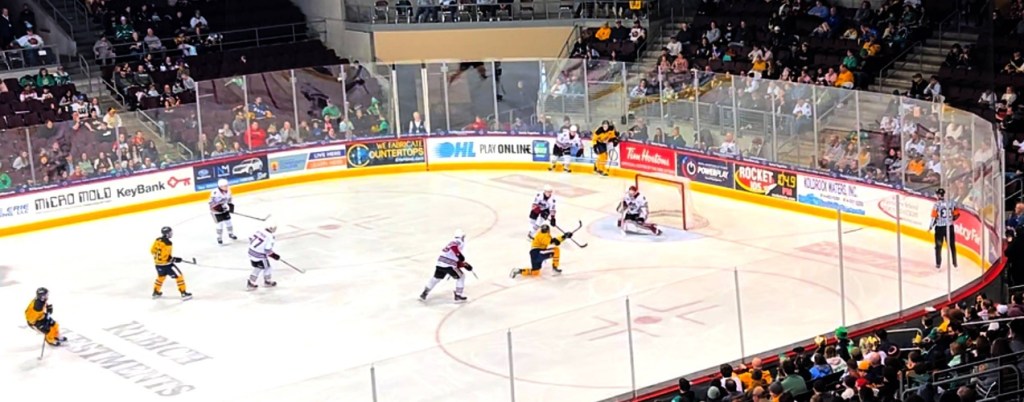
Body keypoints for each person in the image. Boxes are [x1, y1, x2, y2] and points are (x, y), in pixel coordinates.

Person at [420, 229, 473, 303]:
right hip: (448, 265)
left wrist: (463, 265)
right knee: (461, 276)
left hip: (440, 263)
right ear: (462, 236)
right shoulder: (458, 241)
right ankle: (458, 295)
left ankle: (425, 292)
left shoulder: (451, 242)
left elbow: (451, 258)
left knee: (436, 278)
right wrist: (458, 254)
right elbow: (454, 248)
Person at [150, 226, 192, 300]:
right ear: (167, 234)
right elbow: (167, 257)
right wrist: (175, 259)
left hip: (158, 265)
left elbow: (152, 251)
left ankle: (155, 292)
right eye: (170, 233)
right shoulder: (168, 243)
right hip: (167, 265)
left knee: (160, 278)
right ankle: (184, 293)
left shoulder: (157, 240)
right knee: (179, 276)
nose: (171, 234)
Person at [930, 188, 961, 269]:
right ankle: (955, 264)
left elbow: (934, 217)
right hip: (949, 227)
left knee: (938, 246)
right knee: (952, 245)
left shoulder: (936, 204)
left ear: (939, 195)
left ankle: (938, 265)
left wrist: (930, 226)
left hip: (940, 228)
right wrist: (952, 219)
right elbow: (957, 214)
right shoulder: (952, 203)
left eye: (937, 194)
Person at [247, 222, 281, 290]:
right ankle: (266, 281)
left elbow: (250, 238)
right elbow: (267, 250)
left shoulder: (259, 231)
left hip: (250, 252)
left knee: (259, 267)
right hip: (259, 255)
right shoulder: (270, 237)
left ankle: (252, 282)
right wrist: (274, 255)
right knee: (266, 267)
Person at [210, 178, 237, 244]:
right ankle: (219, 237)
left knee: (229, 222)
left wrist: (230, 206)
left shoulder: (228, 190)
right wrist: (218, 207)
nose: (226, 187)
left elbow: (229, 199)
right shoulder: (215, 192)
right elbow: (212, 203)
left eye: (227, 185)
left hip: (224, 209)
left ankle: (230, 234)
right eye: (225, 186)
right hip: (216, 211)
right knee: (220, 224)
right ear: (220, 186)